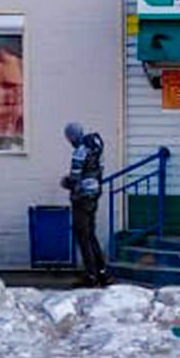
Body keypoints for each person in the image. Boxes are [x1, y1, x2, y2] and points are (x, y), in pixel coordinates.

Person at [62, 121, 108, 287]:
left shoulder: (79, 152)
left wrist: (65, 182)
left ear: (72, 137)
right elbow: (100, 171)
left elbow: (74, 178)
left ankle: (90, 277)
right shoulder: (96, 149)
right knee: (91, 235)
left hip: (81, 198)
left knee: (83, 237)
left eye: (69, 137)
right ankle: (102, 273)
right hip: (94, 195)